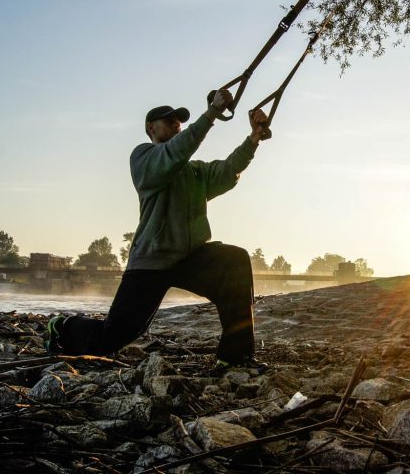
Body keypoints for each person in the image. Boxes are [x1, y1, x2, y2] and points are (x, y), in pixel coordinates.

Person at [46, 89, 270, 372]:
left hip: (189, 257)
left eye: (179, 121)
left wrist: (253, 139)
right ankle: (63, 327)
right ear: (151, 128)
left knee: (234, 260)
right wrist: (212, 112)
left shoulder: (193, 171)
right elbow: (175, 152)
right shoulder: (143, 158)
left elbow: (227, 171)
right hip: (152, 261)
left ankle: (235, 358)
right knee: (113, 336)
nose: (177, 125)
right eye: (170, 121)